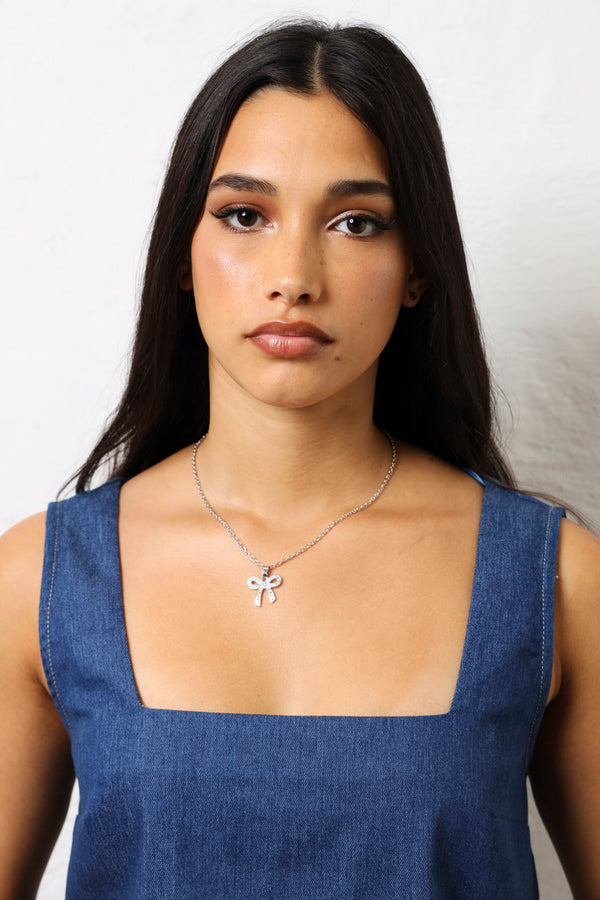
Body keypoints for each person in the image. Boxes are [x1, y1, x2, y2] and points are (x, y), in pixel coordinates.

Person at [1, 18, 599, 899]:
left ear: (418, 268)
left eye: (356, 222)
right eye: (244, 215)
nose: (294, 275)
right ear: (182, 254)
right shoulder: (37, 581)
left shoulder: (561, 584)